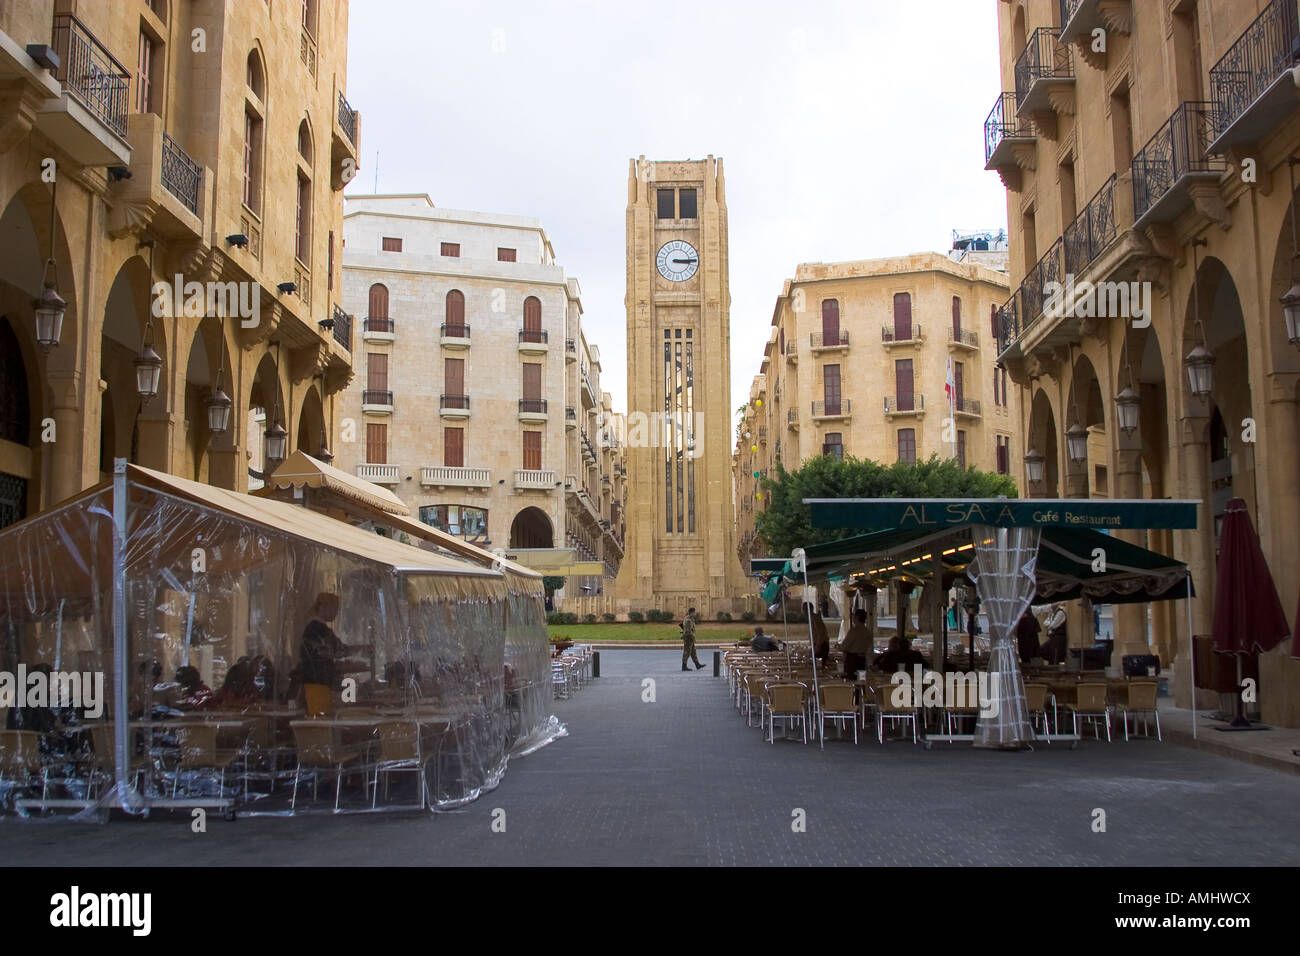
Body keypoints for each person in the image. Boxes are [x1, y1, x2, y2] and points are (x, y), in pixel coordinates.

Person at [297, 591, 373, 712]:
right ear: (323, 607)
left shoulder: (315, 628)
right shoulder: (317, 629)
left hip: (317, 686)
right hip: (318, 687)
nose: (336, 613)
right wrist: (361, 649)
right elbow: (338, 650)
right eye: (335, 609)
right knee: (321, 722)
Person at [840, 608, 873, 676]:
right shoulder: (868, 632)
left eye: (854, 616)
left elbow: (844, 647)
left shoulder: (854, 632)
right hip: (862, 660)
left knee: (851, 680)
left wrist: (839, 647)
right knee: (861, 679)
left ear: (857, 617)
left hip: (852, 660)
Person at [680, 606, 704, 671]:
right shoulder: (688, 620)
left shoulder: (690, 618)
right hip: (688, 638)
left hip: (690, 638)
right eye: (694, 612)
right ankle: (684, 666)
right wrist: (693, 637)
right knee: (687, 652)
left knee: (693, 652)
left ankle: (697, 665)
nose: (695, 614)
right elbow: (688, 631)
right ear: (692, 613)